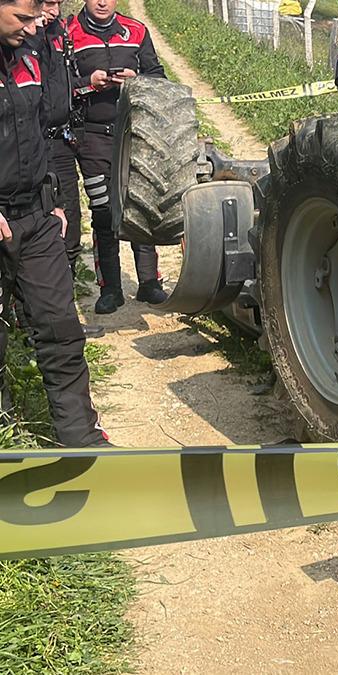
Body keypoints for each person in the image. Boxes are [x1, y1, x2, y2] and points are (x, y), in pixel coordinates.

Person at [0, 0, 108, 447]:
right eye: (22, 18)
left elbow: (40, 131)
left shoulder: (30, 53)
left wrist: (56, 199)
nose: (33, 26)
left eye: (36, 17)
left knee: (61, 329)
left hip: (36, 216)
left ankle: (82, 442)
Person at [67, 0, 167, 315]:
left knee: (141, 207)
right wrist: (88, 84)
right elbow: (58, 87)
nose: (102, 2)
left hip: (134, 133)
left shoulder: (136, 30)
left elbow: (159, 78)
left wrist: (136, 80)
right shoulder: (68, 32)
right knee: (104, 212)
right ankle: (110, 289)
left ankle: (150, 282)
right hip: (92, 136)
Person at [36, 0, 102, 337]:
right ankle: (38, 320)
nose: (53, 10)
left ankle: (64, 316)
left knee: (71, 227)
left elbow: (65, 86)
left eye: (57, 3)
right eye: (47, 3)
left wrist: (87, 82)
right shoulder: (22, 41)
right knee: (42, 230)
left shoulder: (59, 33)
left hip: (60, 142)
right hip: (34, 144)